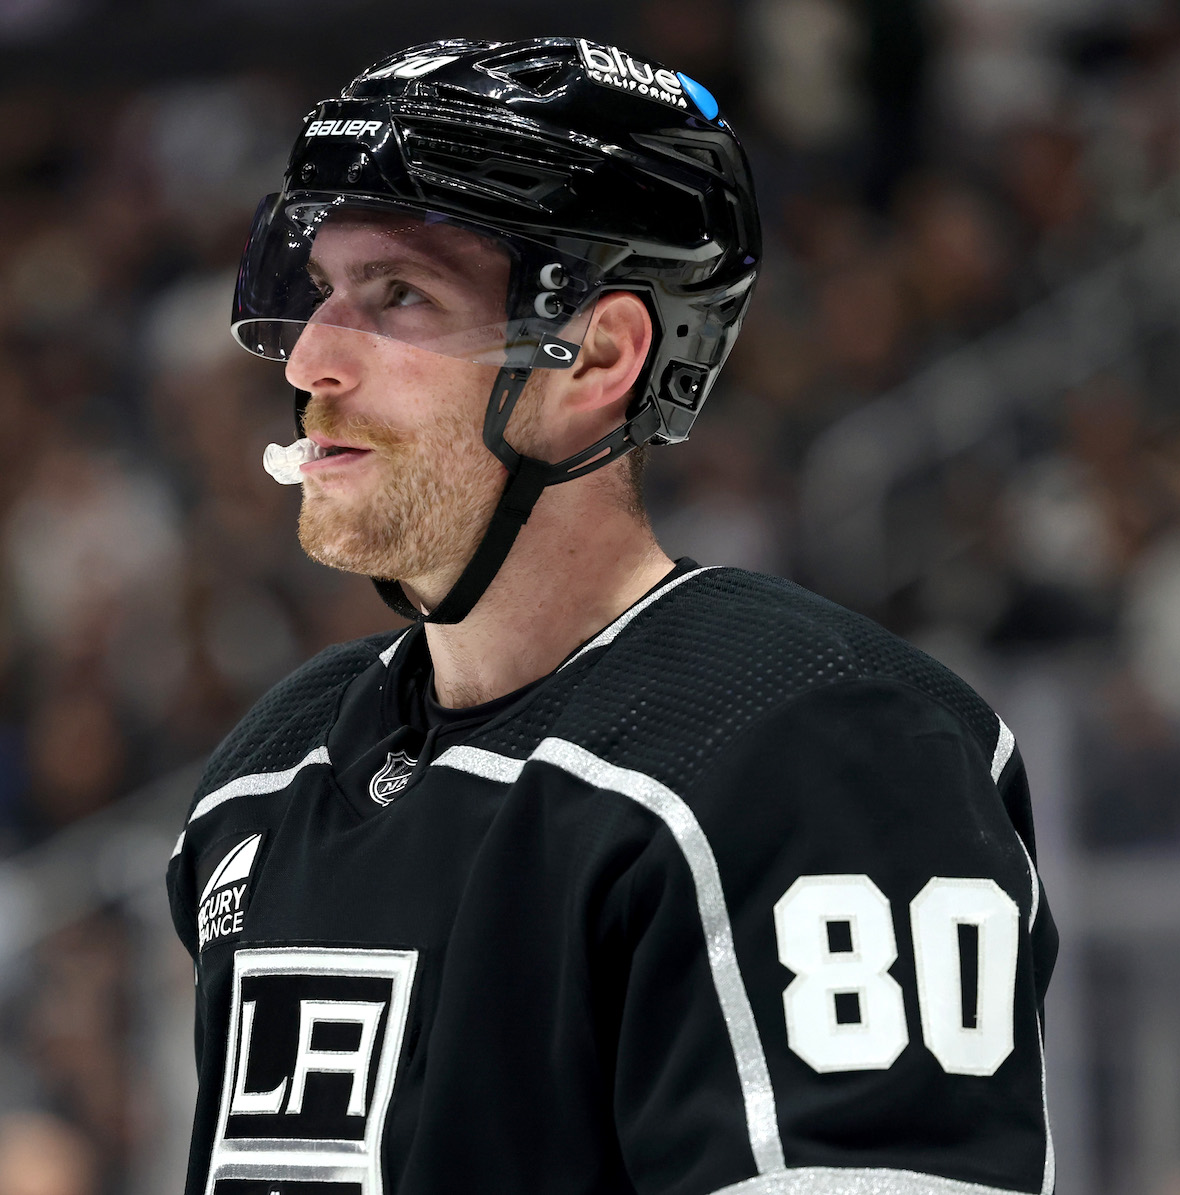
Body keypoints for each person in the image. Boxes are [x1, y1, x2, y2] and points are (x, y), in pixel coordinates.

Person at [166, 36, 1057, 1195]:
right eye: (322, 291)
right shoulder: (269, 777)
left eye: (399, 296)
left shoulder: (815, 744)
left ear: (598, 352)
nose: (317, 360)